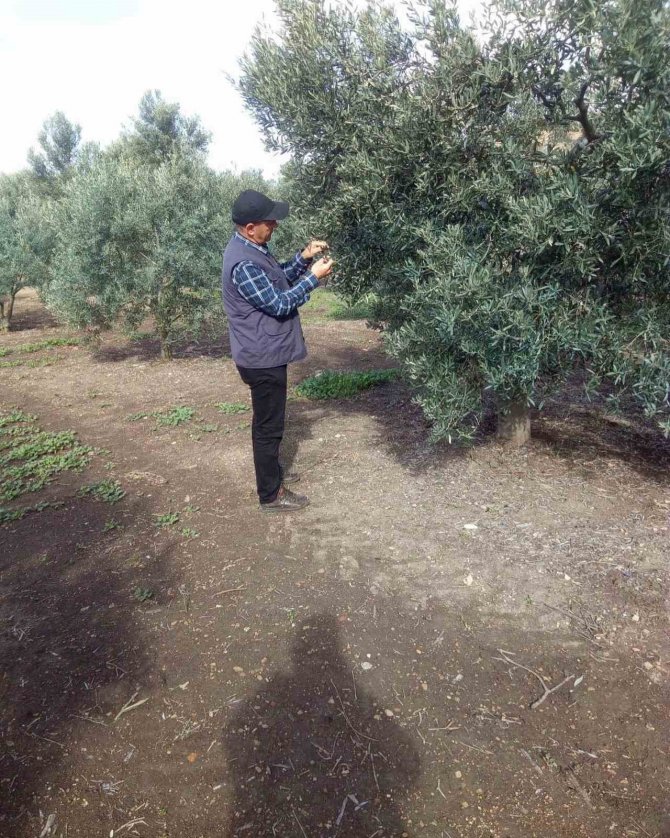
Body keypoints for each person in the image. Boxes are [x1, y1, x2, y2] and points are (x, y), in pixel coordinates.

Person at [221, 188, 333, 512]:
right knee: (268, 427)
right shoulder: (243, 264)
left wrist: (304, 257)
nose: (275, 226)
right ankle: (270, 494)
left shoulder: (252, 248)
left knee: (269, 422)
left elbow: (277, 279)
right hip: (261, 358)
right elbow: (279, 303)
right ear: (250, 226)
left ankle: (272, 476)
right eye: (270, 222)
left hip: (264, 352)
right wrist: (313, 278)